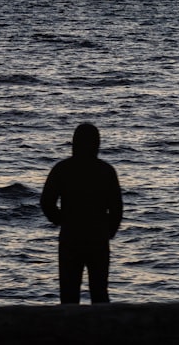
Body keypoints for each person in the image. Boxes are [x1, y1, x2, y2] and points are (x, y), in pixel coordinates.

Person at [40, 123, 123, 304]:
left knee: (69, 294)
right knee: (100, 292)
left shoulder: (62, 169)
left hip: (71, 236)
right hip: (97, 237)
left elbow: (46, 202)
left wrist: (61, 221)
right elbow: (117, 208)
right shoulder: (106, 171)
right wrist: (109, 231)